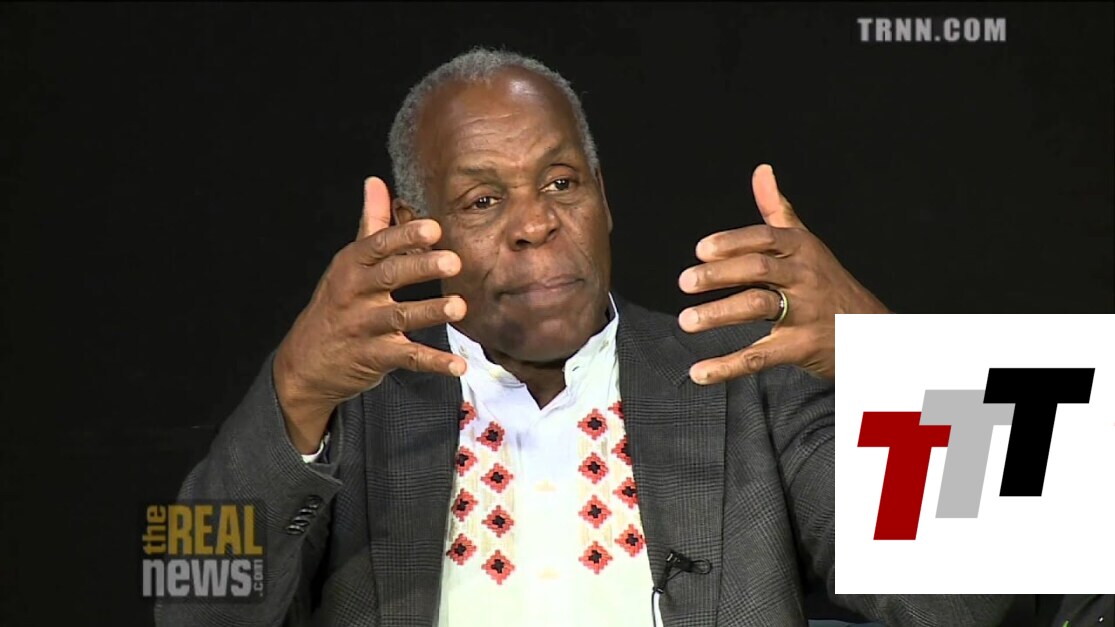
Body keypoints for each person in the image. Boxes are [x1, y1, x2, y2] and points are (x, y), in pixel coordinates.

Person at [155, 48, 1014, 627]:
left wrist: (886, 352)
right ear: (414, 229)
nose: (536, 223)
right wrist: (295, 389)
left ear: (602, 195)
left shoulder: (745, 378)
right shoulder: (347, 408)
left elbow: (973, 601)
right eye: (484, 199)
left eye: (561, 182)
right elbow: (185, 598)